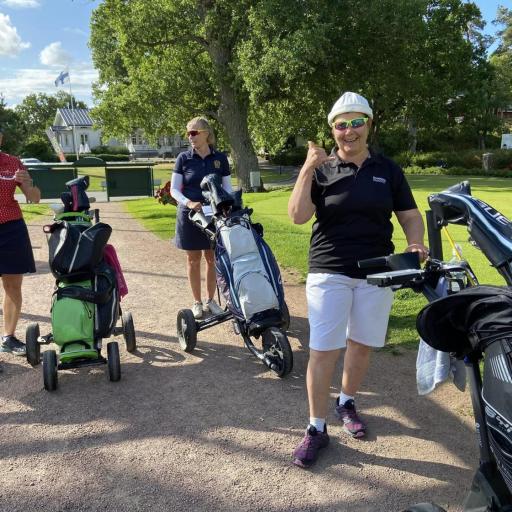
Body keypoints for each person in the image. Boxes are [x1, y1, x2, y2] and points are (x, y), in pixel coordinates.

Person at [288, 92, 428, 468]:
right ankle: (316, 428)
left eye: (356, 123)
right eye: (341, 124)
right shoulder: (322, 169)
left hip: (377, 271)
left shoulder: (389, 169)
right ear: (332, 129)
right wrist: (305, 169)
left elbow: (411, 216)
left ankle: (346, 401)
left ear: (369, 124)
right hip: (329, 269)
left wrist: (416, 242)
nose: (348, 131)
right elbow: (298, 216)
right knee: (323, 350)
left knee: (362, 345)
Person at [171, 117, 232, 319]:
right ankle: (197, 302)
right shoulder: (184, 158)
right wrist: (188, 203)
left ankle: (210, 300)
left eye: (194, 132)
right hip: (190, 215)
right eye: (188, 133)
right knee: (193, 259)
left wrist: (227, 206)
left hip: (213, 215)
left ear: (206, 133)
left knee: (212, 258)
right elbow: (173, 190)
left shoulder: (220, 159)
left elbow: (227, 188)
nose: (190, 137)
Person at [0, 127, 41, 357]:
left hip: (11, 229)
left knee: (13, 286)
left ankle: (8, 338)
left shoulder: (13, 162)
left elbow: (34, 198)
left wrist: (28, 183)